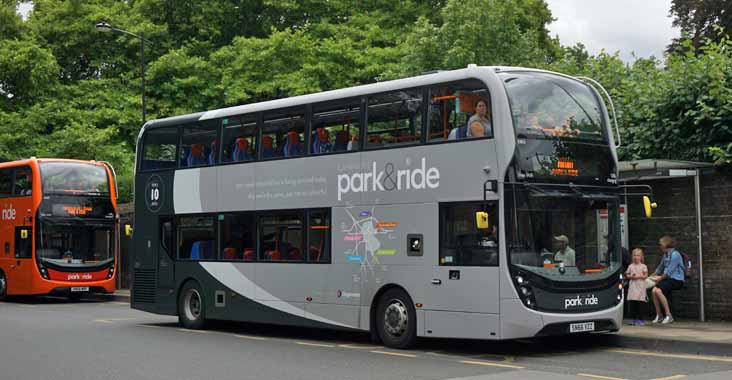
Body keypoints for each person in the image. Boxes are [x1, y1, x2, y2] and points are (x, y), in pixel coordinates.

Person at [651, 235, 685, 324]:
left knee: (658, 291)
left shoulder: (675, 255)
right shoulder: (665, 255)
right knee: (654, 290)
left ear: (666, 244)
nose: (659, 246)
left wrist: (658, 280)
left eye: (660, 244)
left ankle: (669, 315)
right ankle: (659, 315)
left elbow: (668, 272)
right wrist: (650, 277)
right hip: (668, 279)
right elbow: (659, 268)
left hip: (677, 280)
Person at [625, 248, 649, 326]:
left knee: (640, 304)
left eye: (638, 255)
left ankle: (641, 319)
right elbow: (627, 274)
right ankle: (633, 319)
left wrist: (638, 276)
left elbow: (645, 275)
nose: (636, 257)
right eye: (634, 255)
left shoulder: (643, 266)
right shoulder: (630, 266)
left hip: (640, 287)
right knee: (633, 304)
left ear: (641, 257)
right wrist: (630, 276)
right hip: (632, 287)